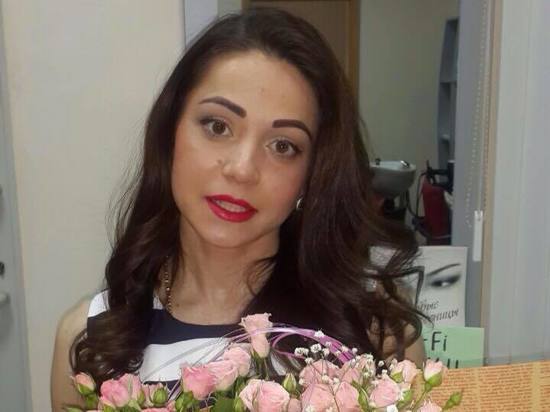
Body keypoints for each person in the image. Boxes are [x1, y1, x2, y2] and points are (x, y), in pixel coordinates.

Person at [51, 7, 426, 410]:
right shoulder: (91, 342)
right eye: (218, 126)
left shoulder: (375, 335)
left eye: (283, 146)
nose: (243, 170)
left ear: (311, 174)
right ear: (169, 133)